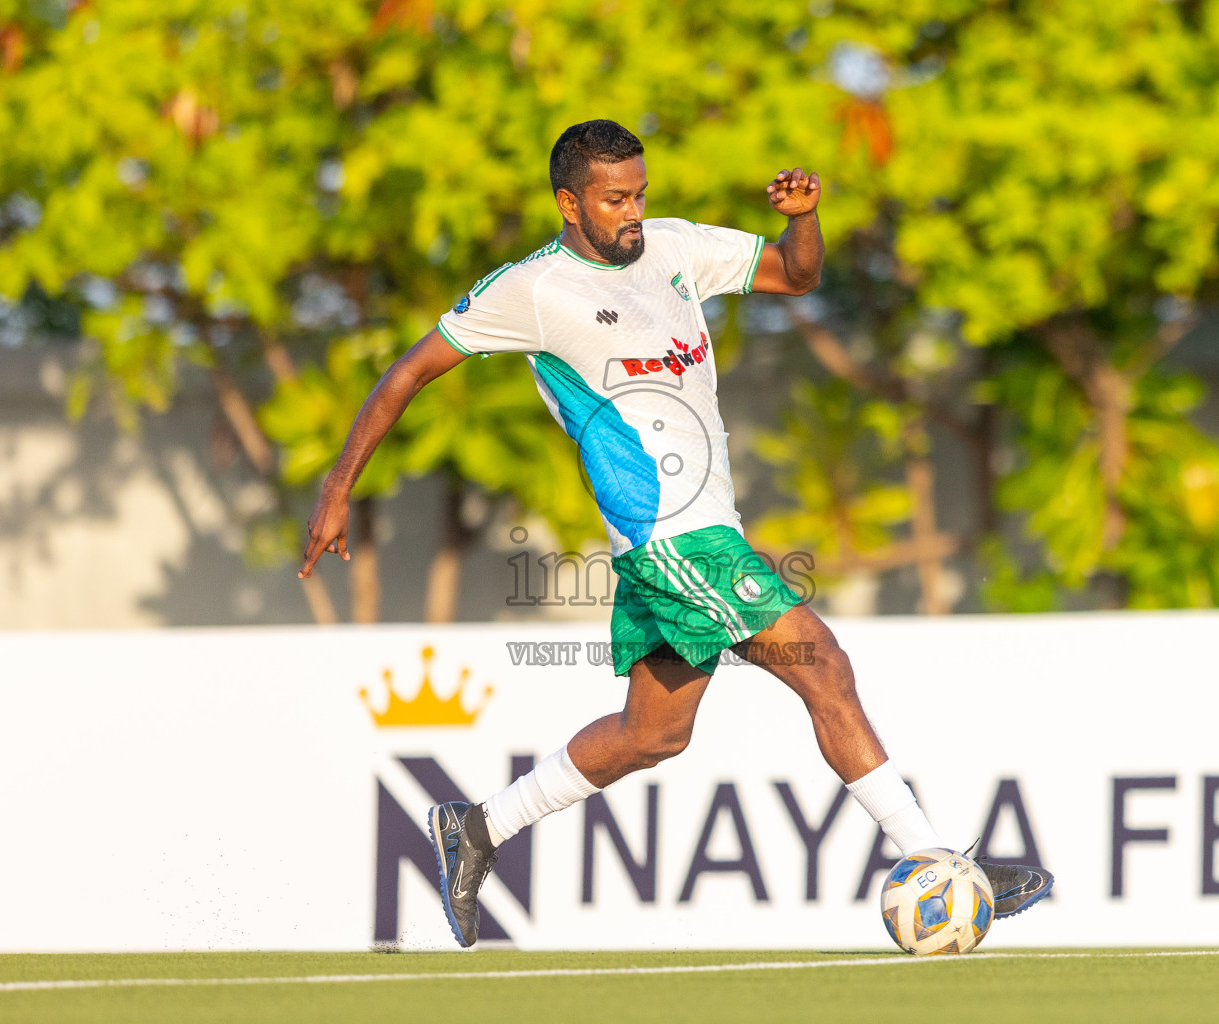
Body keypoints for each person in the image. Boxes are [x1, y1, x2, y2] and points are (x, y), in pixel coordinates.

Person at [299, 119, 1052, 947]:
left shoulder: (676, 249)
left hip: (689, 537)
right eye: (615, 199)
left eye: (639, 194)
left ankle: (476, 829)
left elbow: (796, 278)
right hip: (672, 538)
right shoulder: (533, 291)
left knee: (653, 734)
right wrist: (339, 489)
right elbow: (408, 370)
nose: (632, 212)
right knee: (823, 665)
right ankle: (935, 860)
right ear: (569, 202)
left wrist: (803, 217)